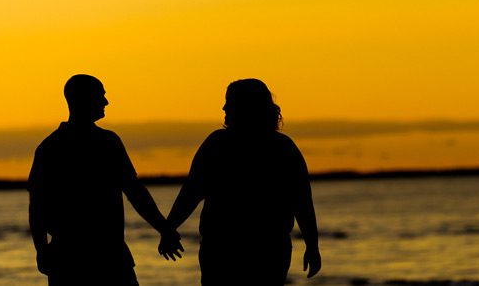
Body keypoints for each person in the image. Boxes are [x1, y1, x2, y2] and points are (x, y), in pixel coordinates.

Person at [160, 78, 321, 285]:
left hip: (258, 250)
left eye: (230, 102)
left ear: (247, 107)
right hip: (231, 250)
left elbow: (302, 202)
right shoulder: (280, 147)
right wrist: (168, 229)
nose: (224, 107)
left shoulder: (277, 148)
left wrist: (313, 246)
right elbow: (191, 192)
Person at [28, 74, 183, 286]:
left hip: (98, 258)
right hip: (81, 261)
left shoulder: (53, 147)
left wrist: (165, 229)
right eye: (100, 96)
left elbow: (135, 192)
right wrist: (41, 250)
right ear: (82, 99)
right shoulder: (97, 144)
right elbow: (37, 206)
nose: (105, 102)